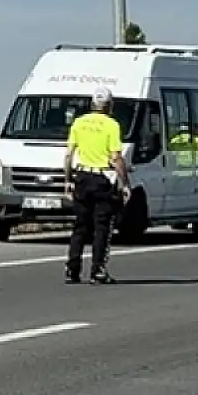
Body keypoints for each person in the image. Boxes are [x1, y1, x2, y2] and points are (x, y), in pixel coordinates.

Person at [63, 87, 130, 285]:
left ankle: (72, 269)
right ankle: (97, 270)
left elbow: (68, 155)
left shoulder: (79, 122)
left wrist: (68, 180)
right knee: (101, 227)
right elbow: (116, 158)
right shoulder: (111, 125)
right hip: (102, 180)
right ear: (109, 106)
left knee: (80, 226)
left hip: (82, 177)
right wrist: (124, 184)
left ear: (92, 104)